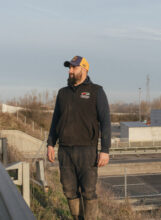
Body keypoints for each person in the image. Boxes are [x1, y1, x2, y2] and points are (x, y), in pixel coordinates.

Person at [47, 55, 111, 220]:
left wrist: (105, 150)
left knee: (88, 191)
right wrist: (50, 144)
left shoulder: (96, 91)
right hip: (65, 150)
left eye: (74, 67)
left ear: (84, 69)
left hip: (87, 151)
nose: (70, 71)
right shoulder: (63, 93)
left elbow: (105, 122)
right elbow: (55, 120)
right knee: (69, 190)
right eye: (69, 68)